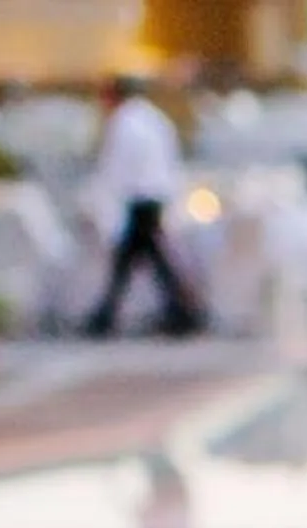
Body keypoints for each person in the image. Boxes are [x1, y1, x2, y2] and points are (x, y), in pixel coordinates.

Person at [83, 76, 202, 338]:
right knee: (146, 259)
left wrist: (104, 199)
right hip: (155, 195)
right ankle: (178, 312)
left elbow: (116, 166)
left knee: (140, 259)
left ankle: (107, 316)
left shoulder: (124, 122)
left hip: (138, 198)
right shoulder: (154, 118)